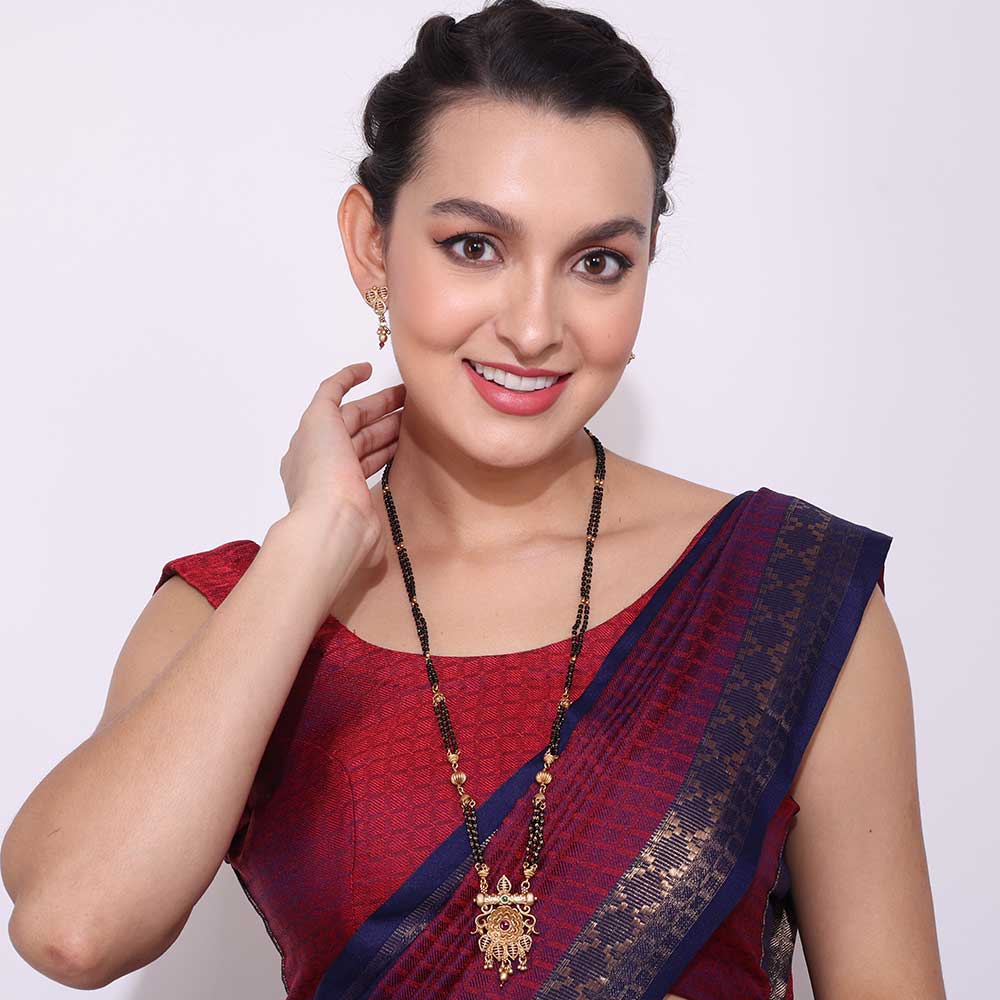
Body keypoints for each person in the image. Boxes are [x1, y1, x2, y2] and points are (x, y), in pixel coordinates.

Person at [2, 1, 946, 997]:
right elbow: (71, 928)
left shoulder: (781, 595)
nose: (534, 326)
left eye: (596, 263)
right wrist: (312, 544)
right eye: (474, 247)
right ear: (372, 243)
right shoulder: (232, 612)